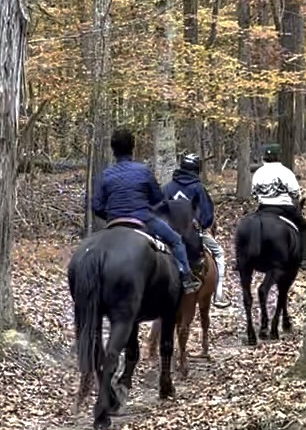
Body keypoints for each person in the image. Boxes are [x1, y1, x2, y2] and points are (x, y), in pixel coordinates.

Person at [92, 128, 200, 292]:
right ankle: (186, 277)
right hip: (143, 219)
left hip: (113, 222)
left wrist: (112, 216)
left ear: (113, 150)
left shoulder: (105, 174)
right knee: (176, 240)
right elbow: (158, 199)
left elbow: (96, 206)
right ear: (132, 148)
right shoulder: (143, 171)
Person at [164, 153, 230, 308]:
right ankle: (218, 295)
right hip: (192, 236)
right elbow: (207, 217)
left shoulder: (167, 188)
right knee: (219, 254)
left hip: (169, 234)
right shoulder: (198, 189)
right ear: (197, 169)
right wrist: (199, 225)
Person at [251, 142, 306, 268]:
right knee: (304, 227)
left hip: (264, 208)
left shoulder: (258, 173)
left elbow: (254, 194)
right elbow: (295, 193)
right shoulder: (286, 172)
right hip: (285, 209)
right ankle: (305, 259)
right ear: (278, 156)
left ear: (264, 157)